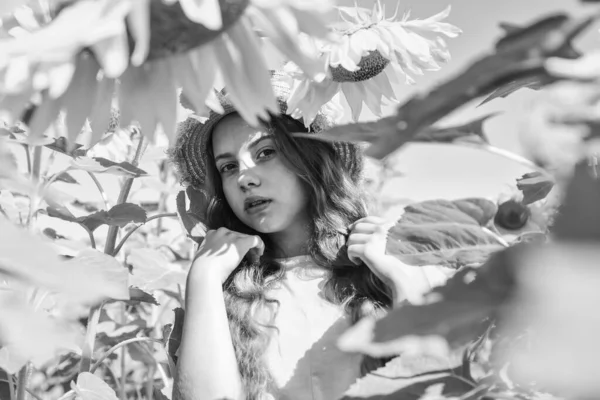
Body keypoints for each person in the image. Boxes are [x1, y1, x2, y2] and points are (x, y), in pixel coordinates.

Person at [167, 73, 414, 400]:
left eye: (265, 152)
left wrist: (401, 275)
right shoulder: (224, 293)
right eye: (228, 167)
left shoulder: (380, 266)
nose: (244, 178)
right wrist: (204, 277)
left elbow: (451, 377)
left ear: (311, 155)